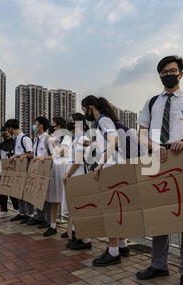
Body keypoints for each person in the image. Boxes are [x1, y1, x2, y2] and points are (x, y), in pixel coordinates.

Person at [135, 55, 183, 285]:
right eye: (165, 72)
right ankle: (158, 264)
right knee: (158, 215)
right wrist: (153, 145)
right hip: (156, 159)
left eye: (173, 70)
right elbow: (140, 134)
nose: (169, 74)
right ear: (159, 75)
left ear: (181, 73)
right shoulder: (151, 103)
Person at [81, 95, 130, 267]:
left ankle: (113, 251)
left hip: (110, 168)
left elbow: (113, 140)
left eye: (84, 109)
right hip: (115, 166)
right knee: (116, 208)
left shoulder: (102, 120)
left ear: (91, 107)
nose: (84, 113)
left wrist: (100, 165)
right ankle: (122, 245)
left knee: (110, 210)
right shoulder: (105, 121)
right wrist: (93, 144)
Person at [62, 113, 93, 250]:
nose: (69, 123)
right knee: (74, 208)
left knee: (80, 209)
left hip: (78, 175)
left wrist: (67, 175)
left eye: (71, 121)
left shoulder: (82, 138)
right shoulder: (76, 138)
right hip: (74, 175)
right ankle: (76, 236)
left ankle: (85, 240)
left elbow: (79, 160)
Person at [39, 117, 71, 237]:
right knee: (53, 198)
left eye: (54, 125)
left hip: (63, 168)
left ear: (59, 126)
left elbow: (62, 152)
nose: (52, 127)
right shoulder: (53, 137)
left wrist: (53, 143)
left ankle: (70, 228)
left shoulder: (66, 138)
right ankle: (52, 226)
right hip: (53, 168)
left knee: (66, 199)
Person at [5, 119, 34, 222]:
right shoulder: (17, 139)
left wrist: (18, 155)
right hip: (17, 168)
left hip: (25, 168)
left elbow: (31, 154)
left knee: (26, 192)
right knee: (18, 192)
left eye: (8, 129)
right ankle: (22, 213)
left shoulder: (25, 139)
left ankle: (30, 214)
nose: (8, 131)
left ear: (11, 128)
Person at [25, 116, 52, 228]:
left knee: (47, 195)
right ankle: (39, 216)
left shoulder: (48, 139)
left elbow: (53, 155)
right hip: (36, 169)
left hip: (45, 169)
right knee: (38, 193)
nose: (34, 126)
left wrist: (43, 158)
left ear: (41, 125)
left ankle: (48, 219)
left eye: (36, 123)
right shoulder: (35, 139)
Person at [0, 126, 19, 219]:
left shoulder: (15, 143)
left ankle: (17, 209)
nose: (5, 133)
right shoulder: (1, 145)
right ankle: (4, 210)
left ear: (10, 132)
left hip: (12, 171)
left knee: (13, 192)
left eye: (6, 131)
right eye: (3, 132)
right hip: (2, 171)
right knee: (1, 192)